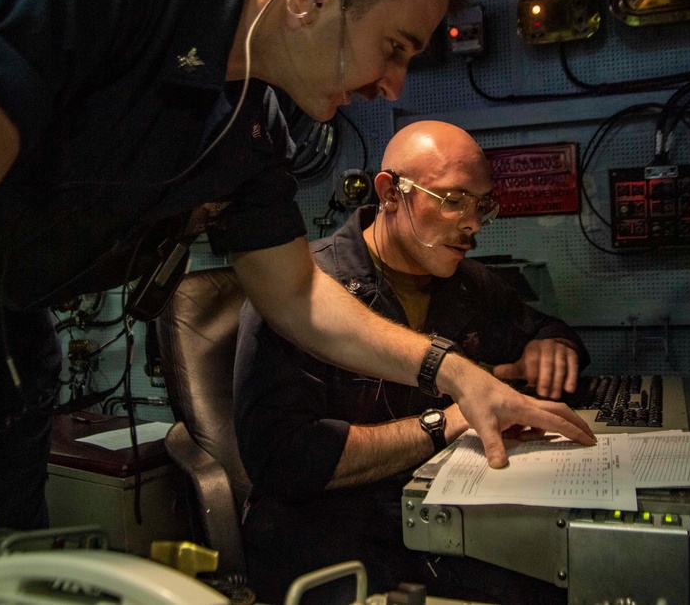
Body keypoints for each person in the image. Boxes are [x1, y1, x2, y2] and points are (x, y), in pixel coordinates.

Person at [0, 0, 594, 533]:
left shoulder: (254, 124)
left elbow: (298, 295)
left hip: (3, 343)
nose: (393, 86)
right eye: (395, 48)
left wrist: (455, 373)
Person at [234, 120, 589, 604]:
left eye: (482, 204)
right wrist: (447, 421)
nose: (473, 224)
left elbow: (543, 326)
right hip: (334, 549)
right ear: (390, 193)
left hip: (442, 528)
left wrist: (550, 347)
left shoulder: (468, 284)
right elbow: (285, 460)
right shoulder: (300, 293)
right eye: (452, 199)